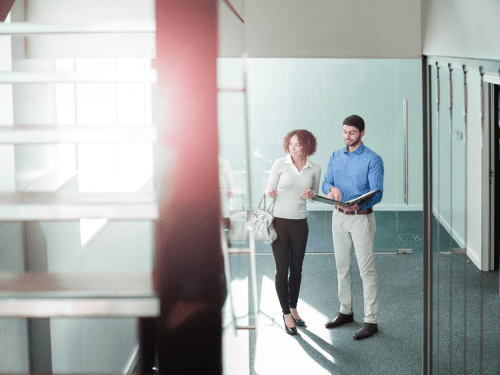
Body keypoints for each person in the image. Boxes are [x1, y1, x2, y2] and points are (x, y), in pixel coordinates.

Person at [322, 114, 384, 340]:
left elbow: (377, 192)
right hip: (338, 216)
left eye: (352, 133)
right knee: (342, 267)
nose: (347, 136)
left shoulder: (372, 159)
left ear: (362, 133)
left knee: (366, 270)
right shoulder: (335, 156)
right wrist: (331, 189)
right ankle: (345, 311)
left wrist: (362, 202)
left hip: (361, 218)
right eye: (345, 132)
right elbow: (326, 181)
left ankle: (371, 320)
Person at [266, 129, 321, 335]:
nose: (293, 148)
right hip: (279, 222)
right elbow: (269, 189)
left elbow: (313, 195)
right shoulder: (279, 164)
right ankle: (286, 313)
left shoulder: (314, 168)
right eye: (290, 144)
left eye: (297, 144)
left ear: (307, 146)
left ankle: (294, 307)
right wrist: (270, 192)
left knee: (296, 269)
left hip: (300, 223)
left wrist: (311, 194)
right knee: (282, 270)